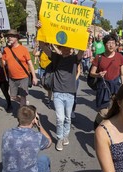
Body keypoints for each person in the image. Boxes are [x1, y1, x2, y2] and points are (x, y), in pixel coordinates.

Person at [37, 21, 84, 151]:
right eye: (64, 47)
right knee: (60, 118)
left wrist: (87, 36)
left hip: (70, 93)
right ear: (61, 47)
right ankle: (59, 138)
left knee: (68, 118)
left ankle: (65, 136)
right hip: (57, 93)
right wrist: (39, 30)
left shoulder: (75, 59)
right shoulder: (56, 57)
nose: (66, 49)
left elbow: (82, 50)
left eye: (69, 47)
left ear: (72, 48)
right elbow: (42, 45)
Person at [90, 33, 123, 129]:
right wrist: (98, 74)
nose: (111, 45)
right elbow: (91, 73)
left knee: (114, 112)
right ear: (104, 44)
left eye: (113, 43)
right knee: (103, 112)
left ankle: (107, 132)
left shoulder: (120, 57)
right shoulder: (99, 57)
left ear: (115, 44)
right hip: (103, 87)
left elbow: (122, 74)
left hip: (115, 87)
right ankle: (97, 125)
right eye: (108, 43)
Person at [0, 29, 38, 108]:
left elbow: (30, 63)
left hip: (23, 77)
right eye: (8, 36)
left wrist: (34, 77)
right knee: (13, 96)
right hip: (12, 78)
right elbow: (3, 64)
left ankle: (21, 113)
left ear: (17, 38)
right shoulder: (6, 50)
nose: (9, 38)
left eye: (12, 36)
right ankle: (25, 103)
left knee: (23, 96)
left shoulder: (23, 49)